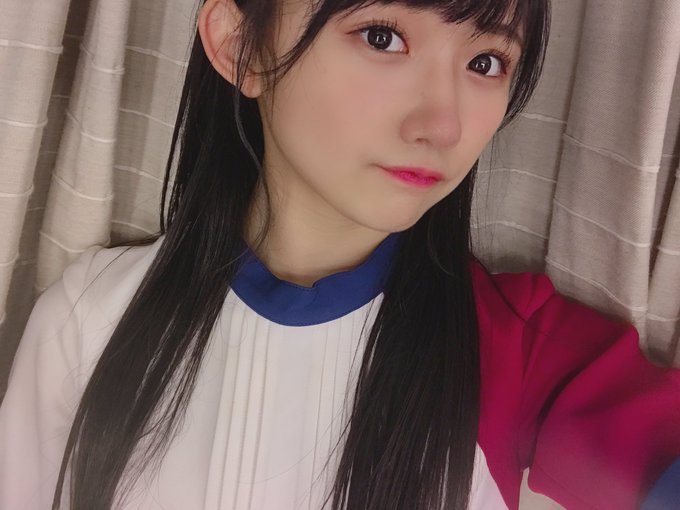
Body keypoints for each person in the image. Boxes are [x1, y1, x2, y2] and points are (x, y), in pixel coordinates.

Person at [1, 0, 679, 508]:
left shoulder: (517, 349)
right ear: (241, 46)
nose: (443, 124)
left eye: (486, 62)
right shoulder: (90, 319)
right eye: (383, 36)